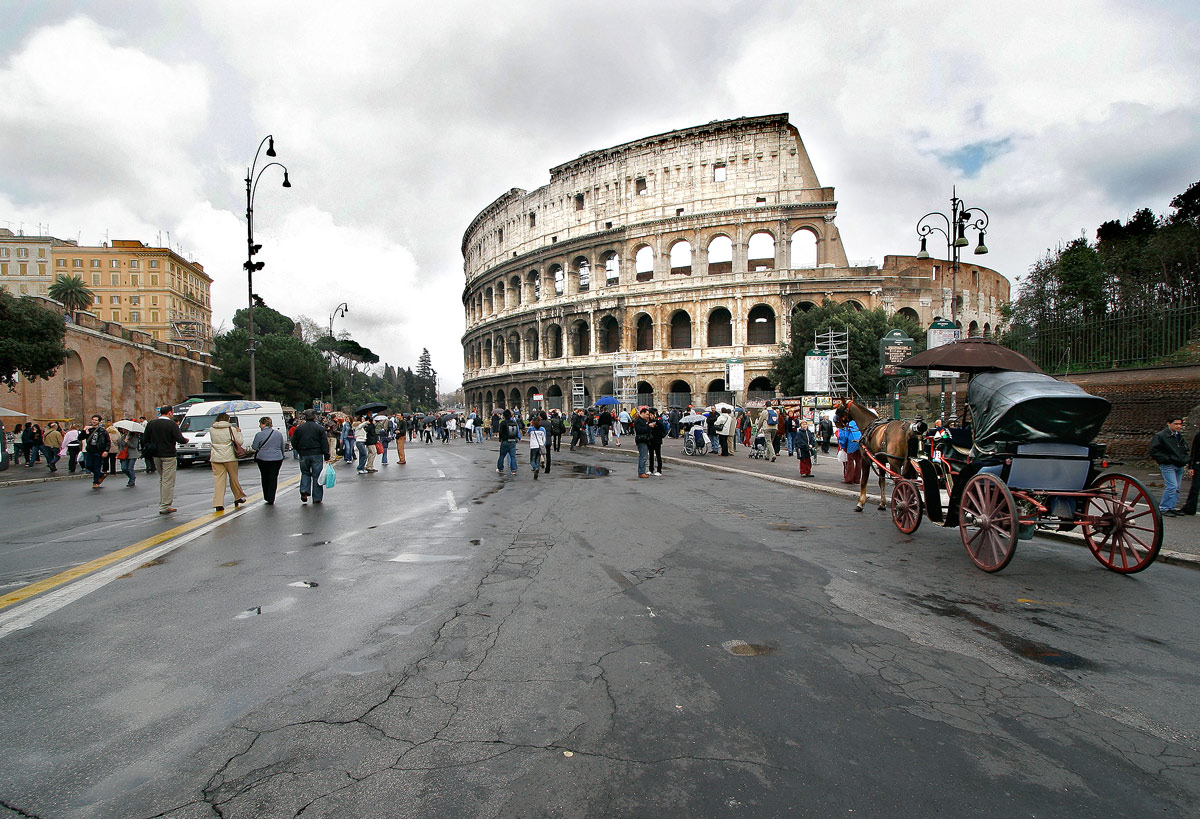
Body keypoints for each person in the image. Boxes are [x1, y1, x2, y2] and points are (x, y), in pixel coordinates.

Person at [143, 406, 187, 513]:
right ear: (169, 413)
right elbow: (180, 439)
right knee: (168, 481)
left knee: (162, 479)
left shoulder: (151, 423)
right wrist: (186, 440)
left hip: (156, 454)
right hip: (168, 455)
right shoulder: (172, 424)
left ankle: (163, 502)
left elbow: (145, 439)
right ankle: (165, 506)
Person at [1149, 417, 1190, 517]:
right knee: (1172, 486)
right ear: (1169, 424)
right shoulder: (1161, 436)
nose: (1179, 426)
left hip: (1179, 464)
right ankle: (1164, 508)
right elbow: (1154, 451)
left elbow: (1184, 448)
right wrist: (1166, 459)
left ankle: (1171, 507)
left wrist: (1185, 458)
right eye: (1176, 424)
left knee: (1177, 488)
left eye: (1180, 424)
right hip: (1168, 465)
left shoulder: (1179, 436)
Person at [208, 412, 247, 512]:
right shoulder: (231, 429)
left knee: (219, 481)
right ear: (227, 419)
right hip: (230, 457)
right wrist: (239, 432)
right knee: (233, 478)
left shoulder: (211, 429)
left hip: (216, 457)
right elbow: (240, 442)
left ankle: (218, 503)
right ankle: (238, 497)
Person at [291, 409, 331, 504]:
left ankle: (304, 489)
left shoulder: (299, 428)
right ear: (314, 417)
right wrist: (326, 455)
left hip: (304, 454)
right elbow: (324, 442)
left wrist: (299, 450)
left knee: (305, 473)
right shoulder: (319, 428)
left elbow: (294, 441)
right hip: (317, 454)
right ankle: (317, 497)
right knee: (317, 475)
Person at [251, 416, 286, 504]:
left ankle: (266, 495)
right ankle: (271, 497)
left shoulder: (259, 435)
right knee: (273, 477)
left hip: (263, 458)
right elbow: (282, 446)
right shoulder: (278, 434)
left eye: (260, 424)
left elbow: (254, 447)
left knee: (265, 477)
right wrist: (281, 455)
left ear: (263, 424)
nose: (259, 426)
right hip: (277, 458)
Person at [82, 414, 110, 488]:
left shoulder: (103, 431)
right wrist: (84, 431)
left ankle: (96, 482)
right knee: (88, 465)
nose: (94, 421)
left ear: (99, 422)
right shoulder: (89, 429)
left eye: (96, 420)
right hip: (90, 450)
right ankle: (100, 475)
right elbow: (80, 438)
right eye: (93, 420)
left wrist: (106, 451)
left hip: (99, 451)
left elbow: (108, 442)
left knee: (97, 466)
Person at [496, 408, 521, 477]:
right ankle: (513, 470)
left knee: (502, 456)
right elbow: (516, 431)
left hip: (505, 441)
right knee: (513, 456)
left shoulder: (503, 423)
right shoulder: (514, 423)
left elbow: (501, 433)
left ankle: (500, 468)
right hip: (513, 441)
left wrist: (500, 440)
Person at [1181, 425, 1199, 516]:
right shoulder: (1199, 436)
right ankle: (1189, 508)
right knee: (1195, 487)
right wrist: (1191, 466)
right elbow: (1194, 452)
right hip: (1198, 465)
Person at [838, 418, 862, 484]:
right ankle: (857, 479)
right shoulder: (858, 422)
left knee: (850, 462)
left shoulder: (845, 424)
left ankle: (849, 479)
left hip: (851, 444)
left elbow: (843, 436)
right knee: (858, 462)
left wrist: (843, 446)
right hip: (860, 442)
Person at [634, 407, 653, 477]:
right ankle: (641, 472)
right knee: (643, 456)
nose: (648, 416)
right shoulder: (638, 421)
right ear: (642, 413)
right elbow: (640, 430)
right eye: (647, 414)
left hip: (645, 439)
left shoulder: (643, 420)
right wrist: (648, 426)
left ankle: (642, 471)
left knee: (644, 456)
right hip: (641, 440)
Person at [527, 414, 548, 479]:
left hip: (533, 446)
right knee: (537, 460)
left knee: (532, 460)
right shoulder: (542, 429)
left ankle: (535, 468)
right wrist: (543, 445)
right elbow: (544, 438)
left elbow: (528, 433)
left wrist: (531, 424)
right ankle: (537, 470)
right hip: (540, 446)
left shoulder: (531, 428)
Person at [648, 408, 666, 476]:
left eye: (651, 415)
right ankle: (651, 469)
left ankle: (659, 470)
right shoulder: (648, 422)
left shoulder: (659, 421)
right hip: (650, 440)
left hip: (657, 440)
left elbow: (663, 429)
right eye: (649, 415)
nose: (650, 416)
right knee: (651, 455)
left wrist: (661, 436)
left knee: (658, 455)